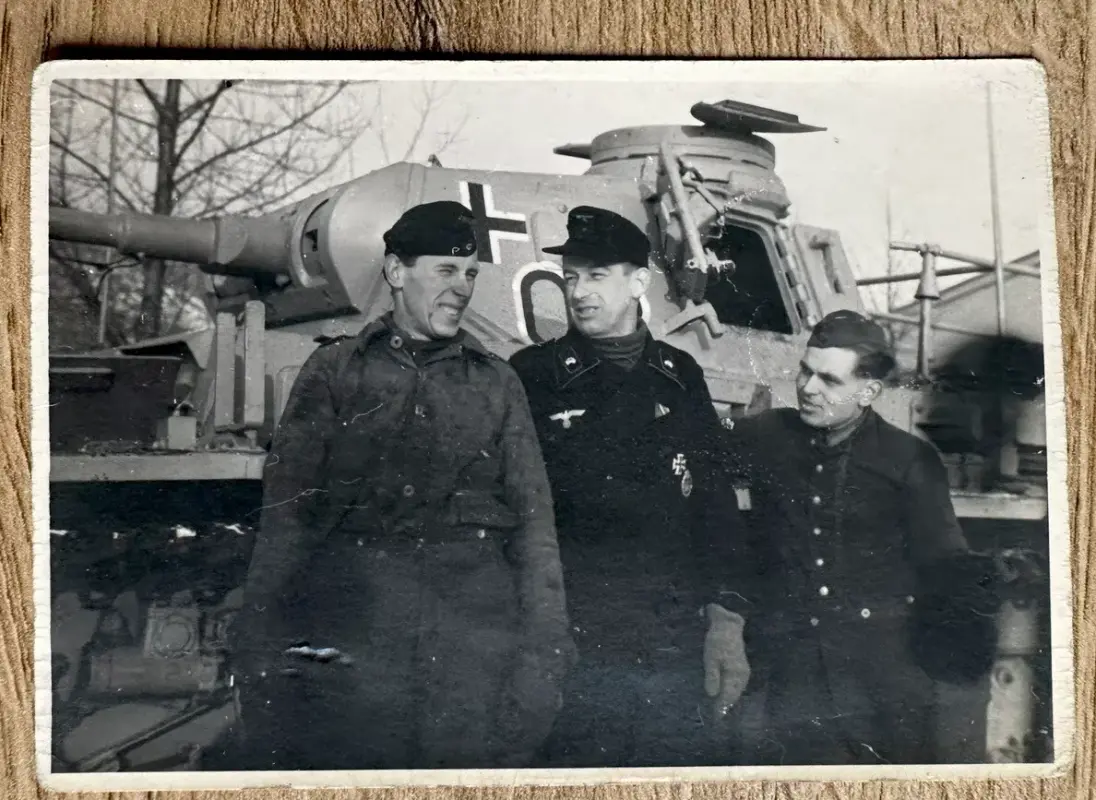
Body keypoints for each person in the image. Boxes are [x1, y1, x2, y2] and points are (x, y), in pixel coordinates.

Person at [220, 201, 576, 771]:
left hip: (468, 665)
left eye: (470, 274)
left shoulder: (497, 384)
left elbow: (536, 532)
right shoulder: (335, 373)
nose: (461, 288)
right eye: (445, 270)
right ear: (395, 272)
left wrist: (546, 657)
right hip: (358, 660)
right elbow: (287, 525)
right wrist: (259, 647)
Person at [508, 205, 750, 768]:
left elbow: (714, 506)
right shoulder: (532, 375)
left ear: (639, 282)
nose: (578, 292)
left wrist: (727, 623)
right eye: (571, 277)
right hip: (574, 642)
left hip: (670, 640)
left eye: (596, 276)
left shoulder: (679, 374)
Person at [710, 309, 1001, 765]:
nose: (807, 387)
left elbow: (945, 568)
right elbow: (692, 459)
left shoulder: (910, 461)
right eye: (805, 371)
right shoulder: (767, 436)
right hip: (787, 674)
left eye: (829, 379)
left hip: (879, 685)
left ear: (868, 392)